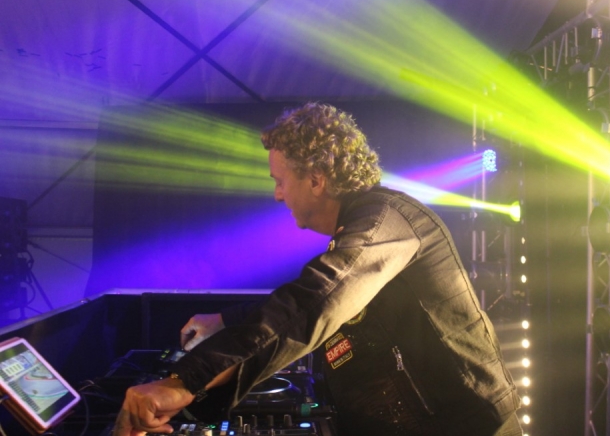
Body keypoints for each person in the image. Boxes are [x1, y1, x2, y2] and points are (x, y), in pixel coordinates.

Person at [112, 102, 522, 436]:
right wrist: (226, 321)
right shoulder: (367, 227)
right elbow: (315, 298)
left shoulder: (386, 222)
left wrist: (184, 382)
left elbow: (317, 300)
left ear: (315, 179)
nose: (277, 195)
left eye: (280, 180)